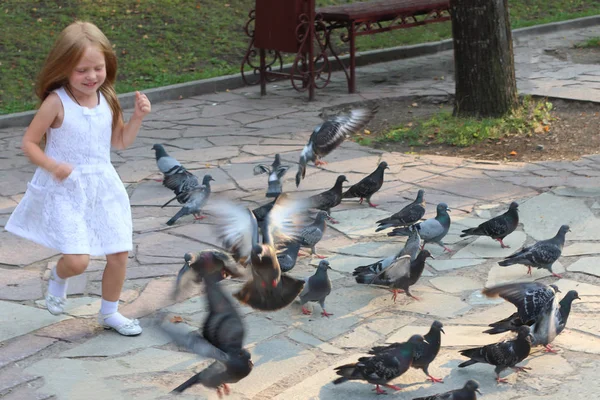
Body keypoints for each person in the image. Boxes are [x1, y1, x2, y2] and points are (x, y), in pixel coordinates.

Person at [5, 21, 151, 336]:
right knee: (78, 261)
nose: (91, 77)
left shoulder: (108, 98)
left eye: (97, 68)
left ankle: (110, 312)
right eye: (81, 70)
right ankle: (59, 277)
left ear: (107, 66)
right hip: (65, 190)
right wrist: (53, 165)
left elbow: (120, 142)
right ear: (64, 68)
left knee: (119, 252)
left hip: (103, 187)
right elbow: (29, 143)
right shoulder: (57, 102)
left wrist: (137, 117)